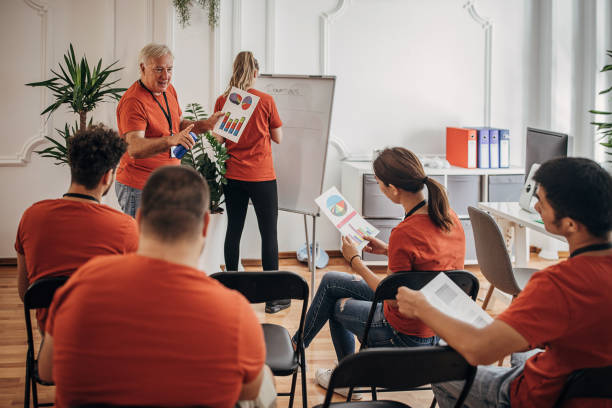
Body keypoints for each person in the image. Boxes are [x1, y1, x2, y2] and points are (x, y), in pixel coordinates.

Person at [38, 166, 273, 408]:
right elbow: (249, 390)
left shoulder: (82, 284)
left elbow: (46, 371)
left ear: (138, 219)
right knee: (263, 382)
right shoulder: (235, 314)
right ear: (205, 225)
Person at [396, 157, 612, 408]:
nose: (536, 206)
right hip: (590, 392)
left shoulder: (559, 284)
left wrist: (422, 307)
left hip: (542, 396)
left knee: (440, 369)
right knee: (524, 351)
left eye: (541, 201)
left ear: (570, 224)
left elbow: (479, 350)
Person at [295, 147, 466, 397]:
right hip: (440, 329)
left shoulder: (405, 232)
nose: (380, 189)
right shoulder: (448, 216)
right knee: (331, 280)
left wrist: (355, 261)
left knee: (335, 304)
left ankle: (347, 380)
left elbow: (390, 297)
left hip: (405, 335)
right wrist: (388, 250)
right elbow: (429, 265)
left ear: (393, 189)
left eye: (379, 184)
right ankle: (297, 346)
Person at [15, 124, 138, 332]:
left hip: (51, 342)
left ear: (73, 167)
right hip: (103, 340)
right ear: (108, 176)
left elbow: (25, 292)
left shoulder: (32, 216)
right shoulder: (126, 227)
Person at [115, 43, 223, 217]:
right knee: (141, 243)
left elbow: (177, 124)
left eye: (169, 69)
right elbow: (134, 147)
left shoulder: (168, 90)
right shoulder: (133, 101)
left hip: (166, 183)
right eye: (158, 69)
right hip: (140, 187)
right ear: (143, 68)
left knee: (161, 242)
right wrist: (170, 140)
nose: (165, 76)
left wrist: (207, 124)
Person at [213, 51, 285, 313]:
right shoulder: (266, 101)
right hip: (263, 177)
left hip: (233, 176)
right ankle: (273, 299)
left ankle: (232, 291)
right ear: (255, 72)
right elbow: (278, 137)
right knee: (269, 234)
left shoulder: (224, 100)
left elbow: (218, 139)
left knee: (234, 229)